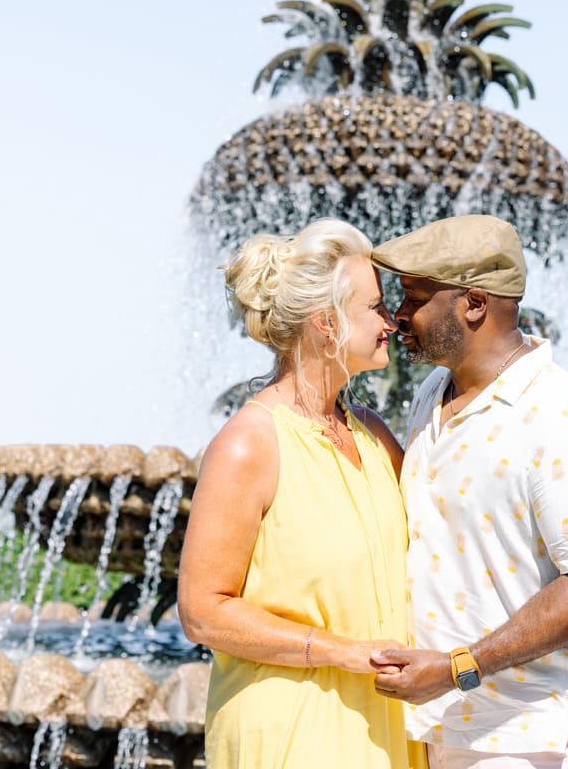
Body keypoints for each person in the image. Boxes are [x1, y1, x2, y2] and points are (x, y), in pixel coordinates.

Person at [368, 215, 568, 769]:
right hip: (446, 724)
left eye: (413, 298)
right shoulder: (434, 393)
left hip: (526, 736)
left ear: (474, 304)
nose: (397, 315)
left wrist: (460, 666)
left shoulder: (559, 415)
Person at [177, 219, 419, 769]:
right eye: (375, 307)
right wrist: (344, 653)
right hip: (294, 728)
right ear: (325, 322)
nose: (391, 321)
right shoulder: (249, 444)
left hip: (387, 726)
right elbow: (202, 611)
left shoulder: (374, 434)